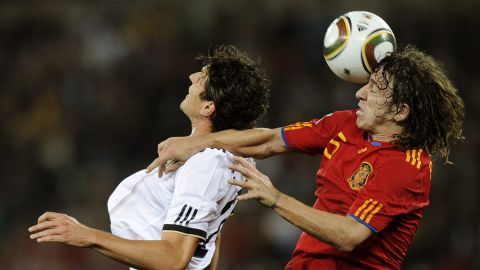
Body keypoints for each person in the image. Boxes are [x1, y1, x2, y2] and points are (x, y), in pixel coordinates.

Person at [146, 45, 465, 269]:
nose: (360, 93)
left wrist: (275, 198)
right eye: (366, 83)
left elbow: (349, 235)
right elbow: (269, 140)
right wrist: (198, 144)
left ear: (400, 111)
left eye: (375, 89)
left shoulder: (407, 168)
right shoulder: (345, 123)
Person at [28, 45, 270, 270]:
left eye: (202, 78)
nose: (192, 77)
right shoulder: (217, 158)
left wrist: (86, 235)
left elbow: (174, 257)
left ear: (208, 107)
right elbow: (207, 243)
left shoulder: (206, 165)